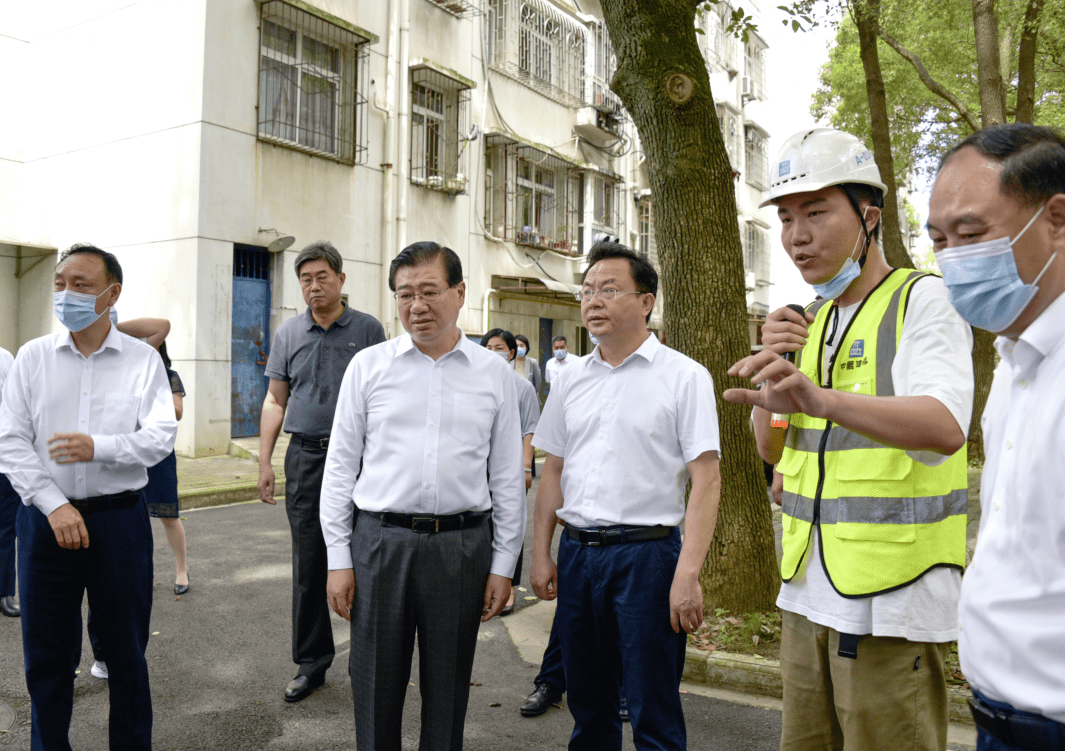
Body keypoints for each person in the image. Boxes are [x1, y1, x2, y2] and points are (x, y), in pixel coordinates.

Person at [723, 128, 974, 751]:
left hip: (890, 603)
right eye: (785, 218)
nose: (796, 236)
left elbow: (945, 425)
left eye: (815, 213)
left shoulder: (925, 301)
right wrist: (771, 397)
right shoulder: (811, 321)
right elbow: (775, 451)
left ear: (868, 218)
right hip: (806, 593)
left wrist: (822, 398)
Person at [321, 241, 525, 751]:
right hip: (379, 545)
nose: (418, 305)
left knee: (448, 688)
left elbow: (507, 477)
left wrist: (504, 564)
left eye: (430, 291)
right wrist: (338, 558)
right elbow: (340, 469)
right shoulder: (369, 367)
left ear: (459, 293)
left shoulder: (495, 375)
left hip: (460, 548)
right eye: (405, 293)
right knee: (373, 683)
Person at [530, 241, 721, 751]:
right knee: (588, 707)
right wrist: (543, 553)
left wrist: (688, 573)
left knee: (652, 708)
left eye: (609, 289)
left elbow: (707, 478)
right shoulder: (569, 380)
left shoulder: (683, 376)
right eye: (587, 290)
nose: (594, 300)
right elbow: (553, 471)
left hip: (647, 558)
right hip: (578, 556)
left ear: (646, 301)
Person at [0, 243, 177, 750]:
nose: (66, 294)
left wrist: (100, 447)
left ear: (111, 293)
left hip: (118, 523)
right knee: (47, 657)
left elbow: (161, 436)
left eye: (80, 285)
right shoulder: (33, 358)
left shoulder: (143, 361)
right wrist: (53, 503)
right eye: (59, 284)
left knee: (125, 655)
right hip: (45, 524)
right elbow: (10, 439)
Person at [928, 123, 1065, 751]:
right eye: (938, 240)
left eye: (971, 234)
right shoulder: (1015, 363)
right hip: (997, 719)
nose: (952, 257)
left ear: (1056, 219)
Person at [256, 241, 385, 703]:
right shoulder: (289, 333)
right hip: (307, 458)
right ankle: (311, 663)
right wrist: (265, 460)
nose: (314, 286)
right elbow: (276, 399)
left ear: (341, 279)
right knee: (310, 563)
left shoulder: (368, 329)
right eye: (305, 279)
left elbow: (385, 398)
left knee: (368, 559)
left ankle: (368, 661)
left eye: (322, 277)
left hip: (363, 460)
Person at [87, 334, 189, 682]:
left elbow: (175, 413)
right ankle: (100, 655)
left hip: (154, 458)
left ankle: (181, 570)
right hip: (112, 468)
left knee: (168, 514)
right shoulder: (116, 370)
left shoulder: (165, 373)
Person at [481, 328, 539, 615]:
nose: (494, 353)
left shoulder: (522, 387)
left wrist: (526, 466)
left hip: (511, 468)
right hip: (480, 471)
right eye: (488, 347)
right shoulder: (476, 383)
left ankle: (510, 586)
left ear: (511, 353)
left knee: (510, 523)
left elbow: (530, 429)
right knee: (484, 526)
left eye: (499, 348)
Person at [0, 345, 18, 618]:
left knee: (5, 528)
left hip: (4, 459)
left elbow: (14, 406)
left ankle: (4, 593)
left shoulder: (5, 357)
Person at [512, 333, 542, 400]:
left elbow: (538, 385)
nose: (519, 348)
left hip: (528, 398)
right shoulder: (508, 363)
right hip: (512, 398)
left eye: (522, 346)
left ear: (526, 347)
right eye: (516, 346)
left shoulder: (533, 362)